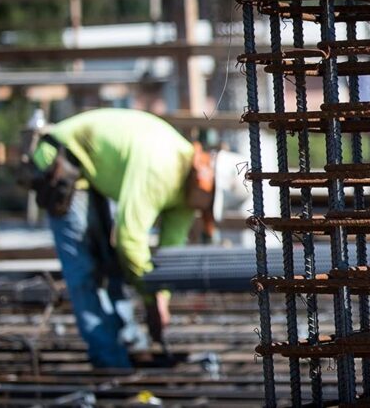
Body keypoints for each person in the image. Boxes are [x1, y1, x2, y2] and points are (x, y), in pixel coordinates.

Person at [18, 108, 244, 369]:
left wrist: (161, 300)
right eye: (209, 203)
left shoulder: (187, 199)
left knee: (111, 263)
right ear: (205, 181)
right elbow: (129, 238)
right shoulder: (163, 167)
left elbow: (168, 254)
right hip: (61, 159)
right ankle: (110, 361)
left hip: (88, 167)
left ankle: (129, 345)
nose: (203, 210)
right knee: (85, 271)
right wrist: (150, 299)